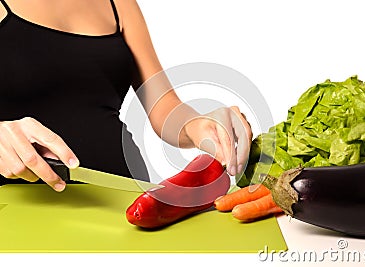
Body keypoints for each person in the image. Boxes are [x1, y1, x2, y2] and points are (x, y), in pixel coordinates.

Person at [0, 0, 252, 192]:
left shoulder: (119, 4)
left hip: (124, 196)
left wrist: (199, 124)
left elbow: (164, 106)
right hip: (21, 202)